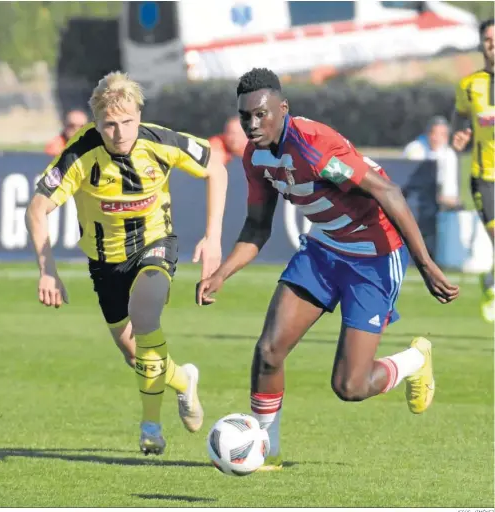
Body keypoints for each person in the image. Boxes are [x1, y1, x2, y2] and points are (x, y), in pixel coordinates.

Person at [196, 68, 459, 471]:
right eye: (245, 116)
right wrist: (221, 274)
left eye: (261, 114)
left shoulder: (315, 147)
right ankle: (268, 452)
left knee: (350, 387)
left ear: (282, 109)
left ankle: (415, 361)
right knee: (269, 351)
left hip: (373, 257)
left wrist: (425, 265)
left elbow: (387, 190)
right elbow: (257, 226)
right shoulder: (256, 156)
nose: (252, 124)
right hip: (323, 249)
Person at [26, 71, 228, 455]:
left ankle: (150, 426)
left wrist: (213, 236)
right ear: (97, 123)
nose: (120, 132)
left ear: (139, 114)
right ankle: (183, 380)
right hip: (105, 263)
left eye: (128, 122)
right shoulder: (80, 153)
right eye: (109, 125)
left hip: (155, 244)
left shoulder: (160, 141)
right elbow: (37, 209)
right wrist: (46, 268)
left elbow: (215, 168)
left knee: (147, 316)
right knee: (135, 354)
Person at [452, 18, 494, 323]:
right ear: (482, 45)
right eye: (488, 39)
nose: (493, 43)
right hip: (485, 177)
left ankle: (491, 279)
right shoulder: (469, 84)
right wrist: (462, 133)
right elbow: (461, 118)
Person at [403, 116, 460, 210]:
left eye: (442, 135)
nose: (437, 138)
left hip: (437, 204)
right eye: (434, 133)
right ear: (427, 134)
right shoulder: (413, 149)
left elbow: (450, 196)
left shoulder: (449, 155)